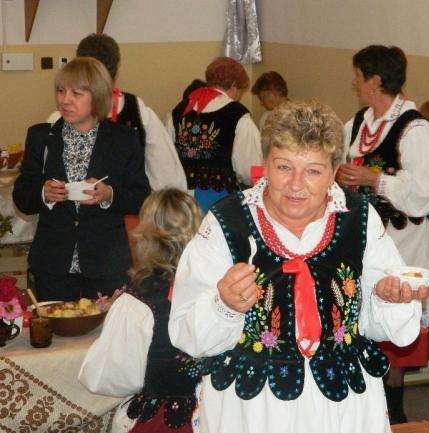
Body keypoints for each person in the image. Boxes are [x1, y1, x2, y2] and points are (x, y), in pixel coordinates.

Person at [168, 100, 429, 433]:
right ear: (265, 164)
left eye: (313, 171)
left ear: (333, 173)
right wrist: (223, 304)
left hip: (341, 405)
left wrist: (386, 297)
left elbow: (375, 323)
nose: (295, 184)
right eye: (283, 167)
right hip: (252, 410)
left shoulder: (359, 218)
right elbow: (185, 331)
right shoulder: (226, 222)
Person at [336, 45, 429, 424]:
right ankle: (364, 402)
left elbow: (427, 194)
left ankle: (394, 413)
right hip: (362, 237)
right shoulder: (358, 123)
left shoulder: (414, 128)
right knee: (360, 315)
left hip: (402, 240)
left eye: (357, 76)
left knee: (393, 318)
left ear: (375, 81)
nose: (353, 83)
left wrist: (374, 179)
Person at [78, 188, 202, 433]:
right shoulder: (223, 289)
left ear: (145, 236)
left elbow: (107, 377)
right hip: (217, 426)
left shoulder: (138, 302)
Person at [13, 57, 150, 302]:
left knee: (106, 327)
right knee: (55, 325)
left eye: (76, 93)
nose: (65, 100)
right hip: (53, 263)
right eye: (60, 91)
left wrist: (109, 195)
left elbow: (141, 198)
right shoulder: (41, 136)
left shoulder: (124, 139)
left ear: (97, 97)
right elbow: (22, 197)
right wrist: (43, 194)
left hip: (106, 262)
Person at [47, 33, 186, 191]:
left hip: (121, 202)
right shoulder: (140, 112)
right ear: (116, 68)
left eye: (77, 93)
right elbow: (168, 179)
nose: (67, 99)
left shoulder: (139, 112)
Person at [166, 56, 262, 212]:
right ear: (233, 85)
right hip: (219, 202)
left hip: (181, 200)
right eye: (239, 90)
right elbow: (249, 168)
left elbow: (167, 157)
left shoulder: (178, 111)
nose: (238, 96)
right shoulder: (237, 115)